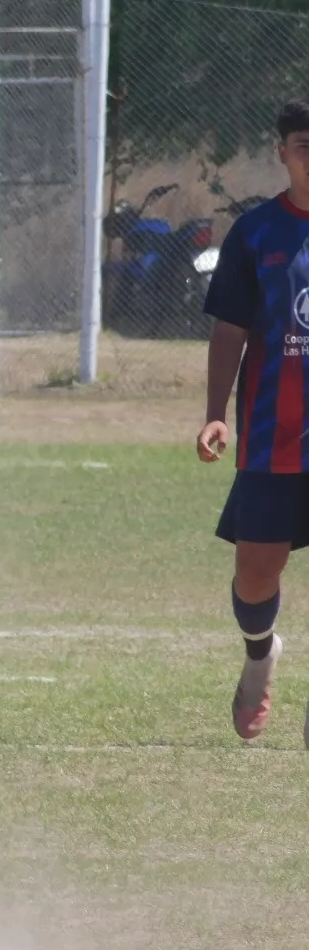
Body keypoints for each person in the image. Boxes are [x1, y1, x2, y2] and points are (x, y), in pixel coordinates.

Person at [199, 98, 309, 743]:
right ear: (282, 151)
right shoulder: (257, 232)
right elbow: (229, 328)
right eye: (303, 143)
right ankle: (259, 656)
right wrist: (215, 415)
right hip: (274, 437)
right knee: (255, 573)